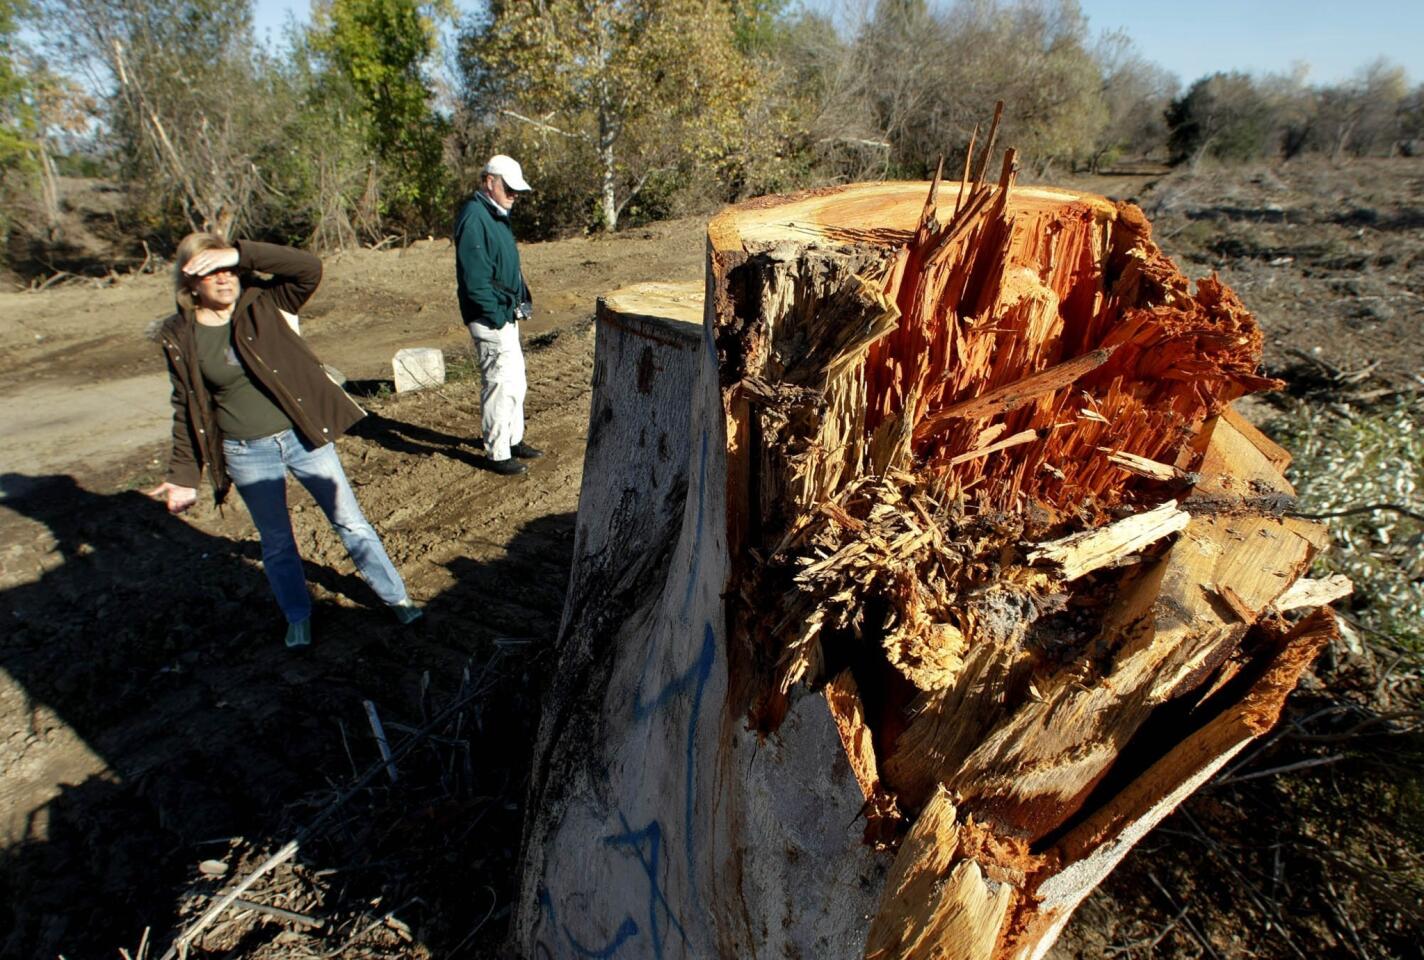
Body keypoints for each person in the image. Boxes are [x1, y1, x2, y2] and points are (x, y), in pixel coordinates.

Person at [147, 233, 421, 648]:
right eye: (211, 271)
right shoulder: (180, 335)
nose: (224, 279)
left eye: (229, 269)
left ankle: (395, 596)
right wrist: (184, 474)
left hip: (302, 436)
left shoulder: (263, 301)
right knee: (276, 543)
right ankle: (297, 614)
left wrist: (241, 252)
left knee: (351, 522)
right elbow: (187, 407)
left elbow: (308, 268)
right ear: (189, 282)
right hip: (245, 452)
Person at [454, 154, 543, 475]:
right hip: (490, 317)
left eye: (517, 189)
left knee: (516, 381)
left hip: (506, 313)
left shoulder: (496, 214)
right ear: (489, 182)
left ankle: (513, 439)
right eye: (509, 187)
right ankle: (497, 451)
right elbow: (475, 279)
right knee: (499, 383)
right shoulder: (475, 217)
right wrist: (495, 314)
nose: (514, 194)